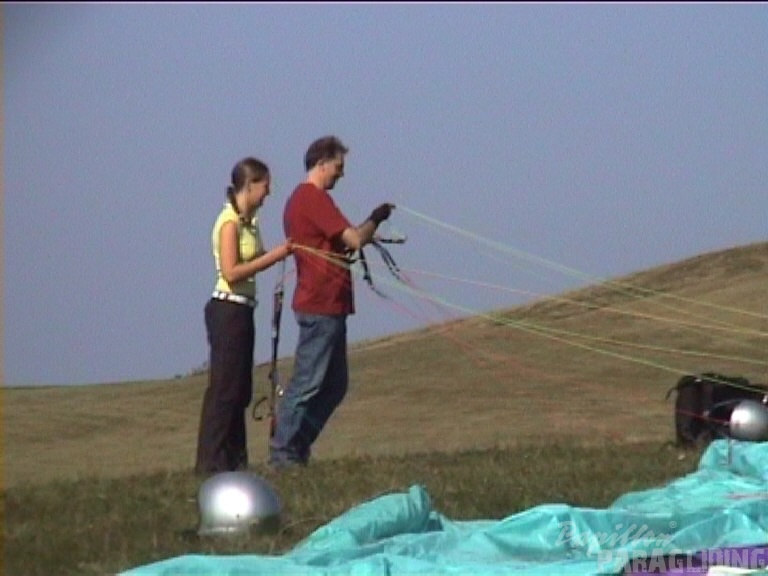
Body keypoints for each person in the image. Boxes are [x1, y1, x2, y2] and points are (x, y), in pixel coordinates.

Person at [269, 135, 393, 468]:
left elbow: (338, 240)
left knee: (335, 385)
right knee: (307, 383)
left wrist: (366, 233)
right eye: (338, 167)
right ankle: (283, 453)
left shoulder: (307, 200)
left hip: (331, 304)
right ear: (321, 163)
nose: (341, 174)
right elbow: (353, 237)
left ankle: (296, 447)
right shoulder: (311, 198)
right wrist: (376, 217)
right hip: (319, 304)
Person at [195, 157, 292, 475]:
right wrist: (275, 256)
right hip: (227, 309)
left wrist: (284, 251)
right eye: (265, 186)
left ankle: (235, 462)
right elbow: (232, 270)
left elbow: (255, 258)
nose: (268, 193)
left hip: (244, 309)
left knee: (240, 390)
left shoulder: (250, 223)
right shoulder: (229, 223)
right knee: (224, 389)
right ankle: (210, 463)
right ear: (249, 185)